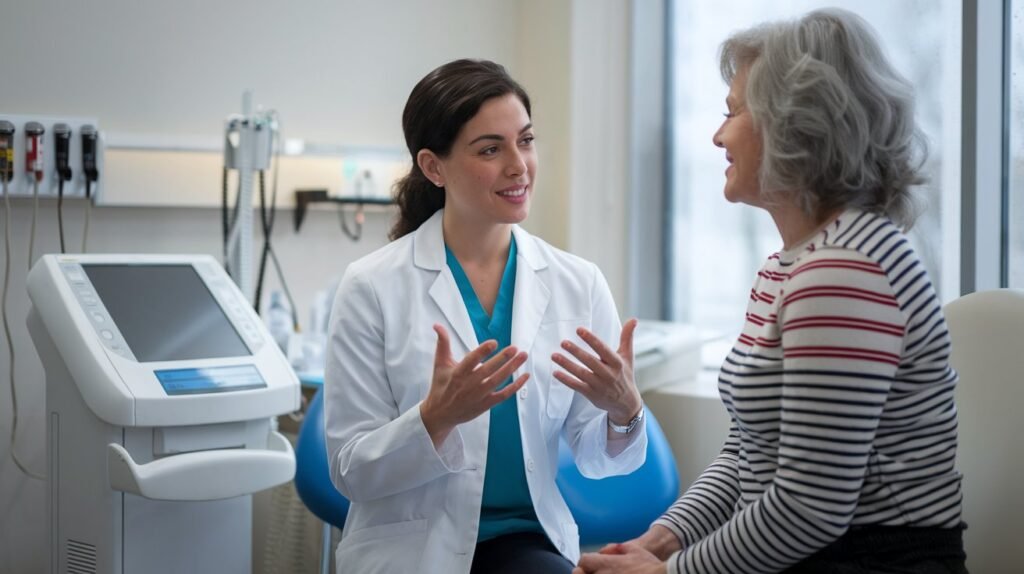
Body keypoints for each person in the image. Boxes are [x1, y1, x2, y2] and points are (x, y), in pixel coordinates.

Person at [576, 8, 967, 574]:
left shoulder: (846, 270)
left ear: (794, 125)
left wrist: (668, 573)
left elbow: (809, 508)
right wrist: (658, 541)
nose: (718, 134)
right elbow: (747, 452)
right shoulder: (791, 267)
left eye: (734, 112)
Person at [324, 58, 648, 574]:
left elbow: (602, 459)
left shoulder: (577, 282)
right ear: (434, 167)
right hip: (415, 549)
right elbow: (350, 472)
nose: (518, 165)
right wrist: (437, 417)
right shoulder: (371, 286)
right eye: (490, 149)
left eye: (525, 140)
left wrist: (624, 411)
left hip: (527, 542)